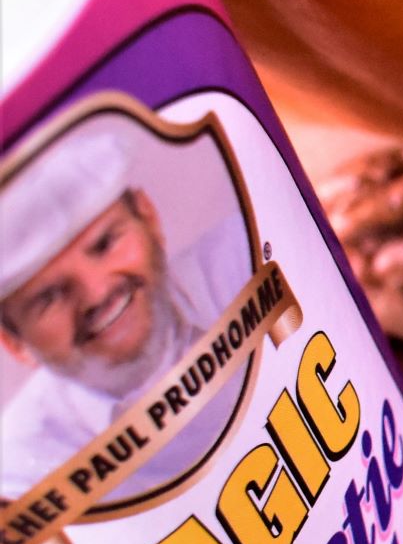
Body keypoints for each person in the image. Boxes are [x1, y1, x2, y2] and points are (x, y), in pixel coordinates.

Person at [1, 114, 251, 500]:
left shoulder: (247, 257)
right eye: (48, 296)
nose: (97, 293)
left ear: (148, 218)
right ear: (14, 344)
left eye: (105, 244)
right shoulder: (17, 475)